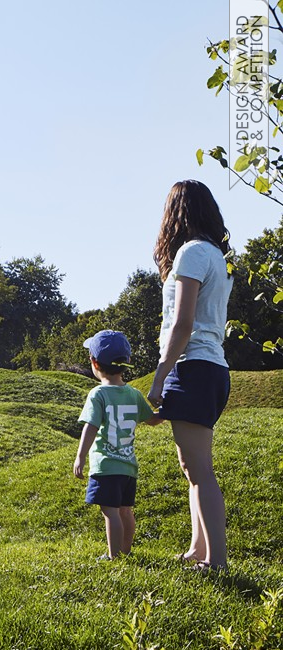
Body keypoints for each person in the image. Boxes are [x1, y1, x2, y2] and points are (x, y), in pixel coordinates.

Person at [147, 179, 233, 572]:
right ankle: (198, 548)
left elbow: (182, 324)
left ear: (175, 213)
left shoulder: (190, 253)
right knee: (192, 467)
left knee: (199, 470)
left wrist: (161, 374)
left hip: (193, 366)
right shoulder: (217, 255)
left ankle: (215, 562)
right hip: (213, 368)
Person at [74, 330, 162, 559]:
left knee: (109, 512)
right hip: (128, 466)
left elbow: (90, 426)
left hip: (106, 465)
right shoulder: (133, 394)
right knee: (125, 511)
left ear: (94, 363)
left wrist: (80, 457)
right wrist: (170, 406)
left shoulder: (98, 394)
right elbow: (152, 420)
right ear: (127, 362)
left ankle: (114, 557)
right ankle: (125, 551)